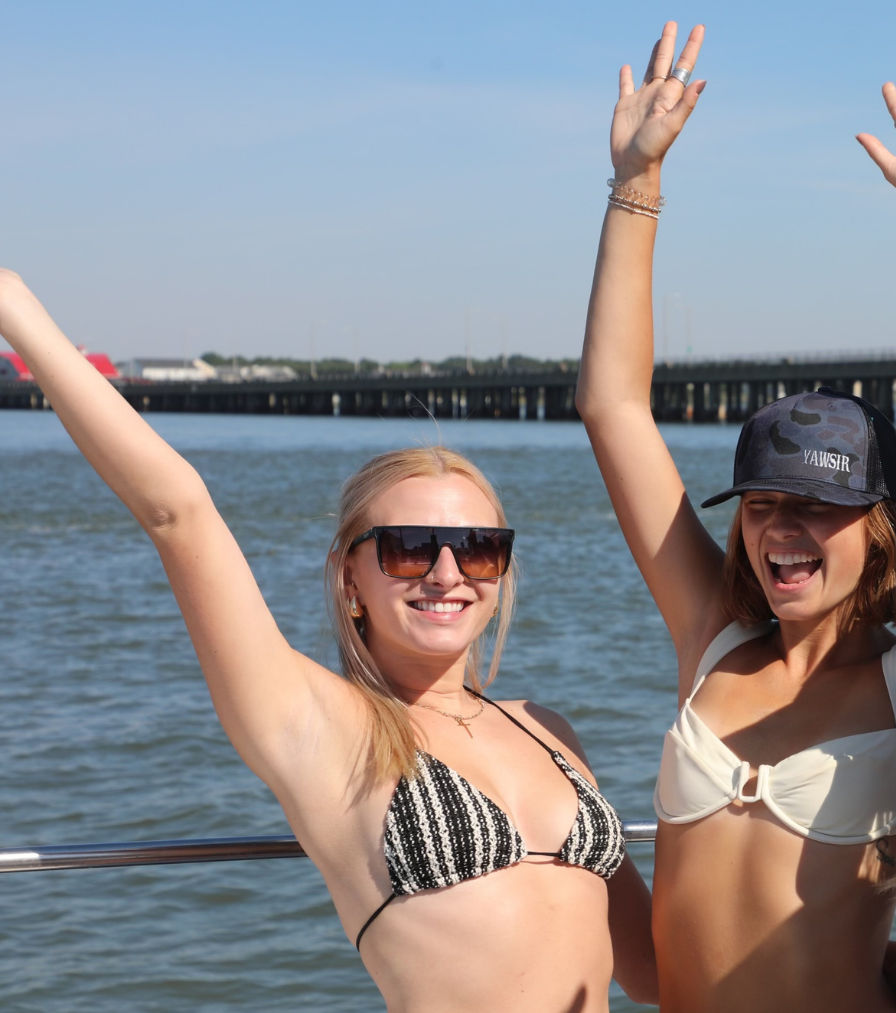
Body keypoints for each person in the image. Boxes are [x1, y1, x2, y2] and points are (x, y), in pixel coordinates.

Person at [0, 275, 655, 1010]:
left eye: (477, 547)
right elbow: (176, 511)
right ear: (351, 577)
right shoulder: (321, 725)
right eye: (409, 548)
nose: (447, 573)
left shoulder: (545, 729)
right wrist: (14, 305)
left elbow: (656, 968)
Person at [576, 26, 896, 1012]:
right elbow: (612, 405)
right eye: (763, 504)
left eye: (820, 507)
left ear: (878, 525)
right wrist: (637, 185)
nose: (782, 528)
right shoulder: (712, 635)